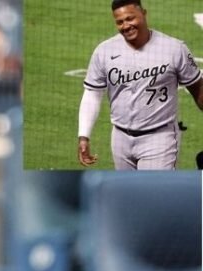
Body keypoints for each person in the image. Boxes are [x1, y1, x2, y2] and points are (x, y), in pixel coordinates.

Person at [77, 0, 202, 170]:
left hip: (159, 137)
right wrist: (83, 136)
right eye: (120, 22)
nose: (125, 26)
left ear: (144, 13)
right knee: (128, 186)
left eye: (130, 18)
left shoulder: (174, 49)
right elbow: (92, 94)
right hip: (120, 138)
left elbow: (198, 88)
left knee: (153, 186)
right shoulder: (104, 51)